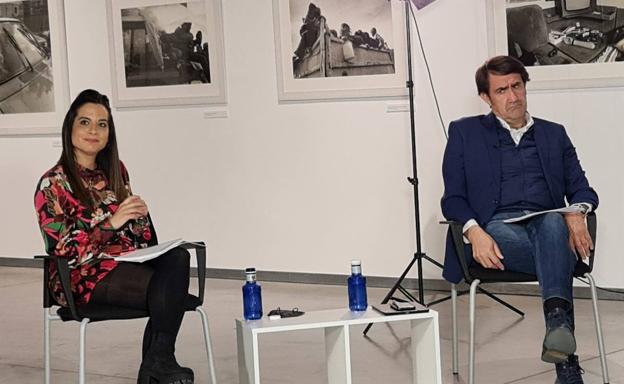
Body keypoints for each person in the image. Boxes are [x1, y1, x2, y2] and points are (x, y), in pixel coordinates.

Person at [441, 55, 598, 384]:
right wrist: (474, 232)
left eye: (517, 86)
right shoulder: (464, 133)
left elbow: (583, 188)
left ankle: (557, 324)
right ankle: (566, 360)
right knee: (555, 244)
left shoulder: (554, 134)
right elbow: (452, 197)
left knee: (554, 224)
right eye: (502, 91)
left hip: (547, 224)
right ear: (486, 97)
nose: (513, 97)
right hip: (497, 229)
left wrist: (576, 211)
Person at [34, 89, 195, 384]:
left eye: (102, 124)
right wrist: (111, 223)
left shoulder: (116, 172)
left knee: (179, 257)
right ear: (70, 127)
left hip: (123, 266)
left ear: (110, 133)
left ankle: (158, 361)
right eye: (85, 122)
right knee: (168, 292)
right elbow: (62, 249)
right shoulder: (53, 183)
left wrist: (138, 218)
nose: (93, 131)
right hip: (78, 276)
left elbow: (142, 241)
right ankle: (157, 365)